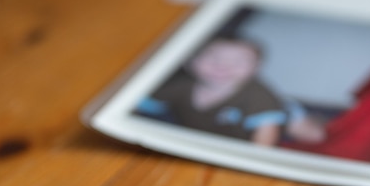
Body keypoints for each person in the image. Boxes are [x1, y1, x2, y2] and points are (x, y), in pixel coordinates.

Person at [137, 36, 325, 146]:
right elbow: (138, 107)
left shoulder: (260, 96)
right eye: (213, 58)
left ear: (256, 68)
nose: (224, 67)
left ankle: (294, 112)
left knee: (316, 136)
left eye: (238, 62)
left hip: (274, 116)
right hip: (223, 126)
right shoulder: (180, 86)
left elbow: (265, 143)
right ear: (190, 61)